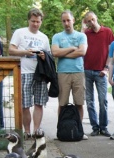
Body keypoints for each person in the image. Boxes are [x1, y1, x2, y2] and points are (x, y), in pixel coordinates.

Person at [9, 8, 50, 139]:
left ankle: (36, 130)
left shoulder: (44, 37)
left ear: (41, 21)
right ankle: (27, 131)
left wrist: (44, 56)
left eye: (38, 21)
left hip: (39, 73)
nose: (35, 24)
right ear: (29, 20)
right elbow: (11, 50)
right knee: (25, 104)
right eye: (33, 21)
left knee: (39, 103)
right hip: (24, 72)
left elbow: (49, 55)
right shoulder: (20, 33)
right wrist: (26, 52)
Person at [51, 10, 88, 140]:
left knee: (79, 103)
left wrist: (64, 53)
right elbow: (55, 52)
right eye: (64, 21)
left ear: (73, 20)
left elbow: (82, 51)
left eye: (68, 20)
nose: (66, 23)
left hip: (78, 72)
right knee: (62, 103)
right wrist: (72, 48)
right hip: (62, 73)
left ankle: (79, 130)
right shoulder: (57, 36)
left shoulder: (81, 36)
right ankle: (61, 130)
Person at [82, 11, 114, 137]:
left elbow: (111, 52)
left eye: (93, 20)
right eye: (88, 21)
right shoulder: (85, 34)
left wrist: (106, 68)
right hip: (88, 71)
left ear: (96, 18)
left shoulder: (107, 32)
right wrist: (82, 26)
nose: (91, 23)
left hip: (101, 71)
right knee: (90, 101)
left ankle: (104, 127)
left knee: (103, 100)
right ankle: (95, 127)